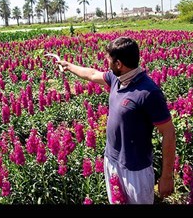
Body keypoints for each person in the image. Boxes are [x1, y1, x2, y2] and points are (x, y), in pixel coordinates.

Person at [56, 36, 176, 204]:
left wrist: (167, 176)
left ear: (119, 64)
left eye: (109, 60)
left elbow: (169, 133)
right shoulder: (116, 79)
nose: (107, 64)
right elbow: (91, 74)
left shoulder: (148, 92)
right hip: (112, 161)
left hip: (136, 170)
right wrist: (67, 65)